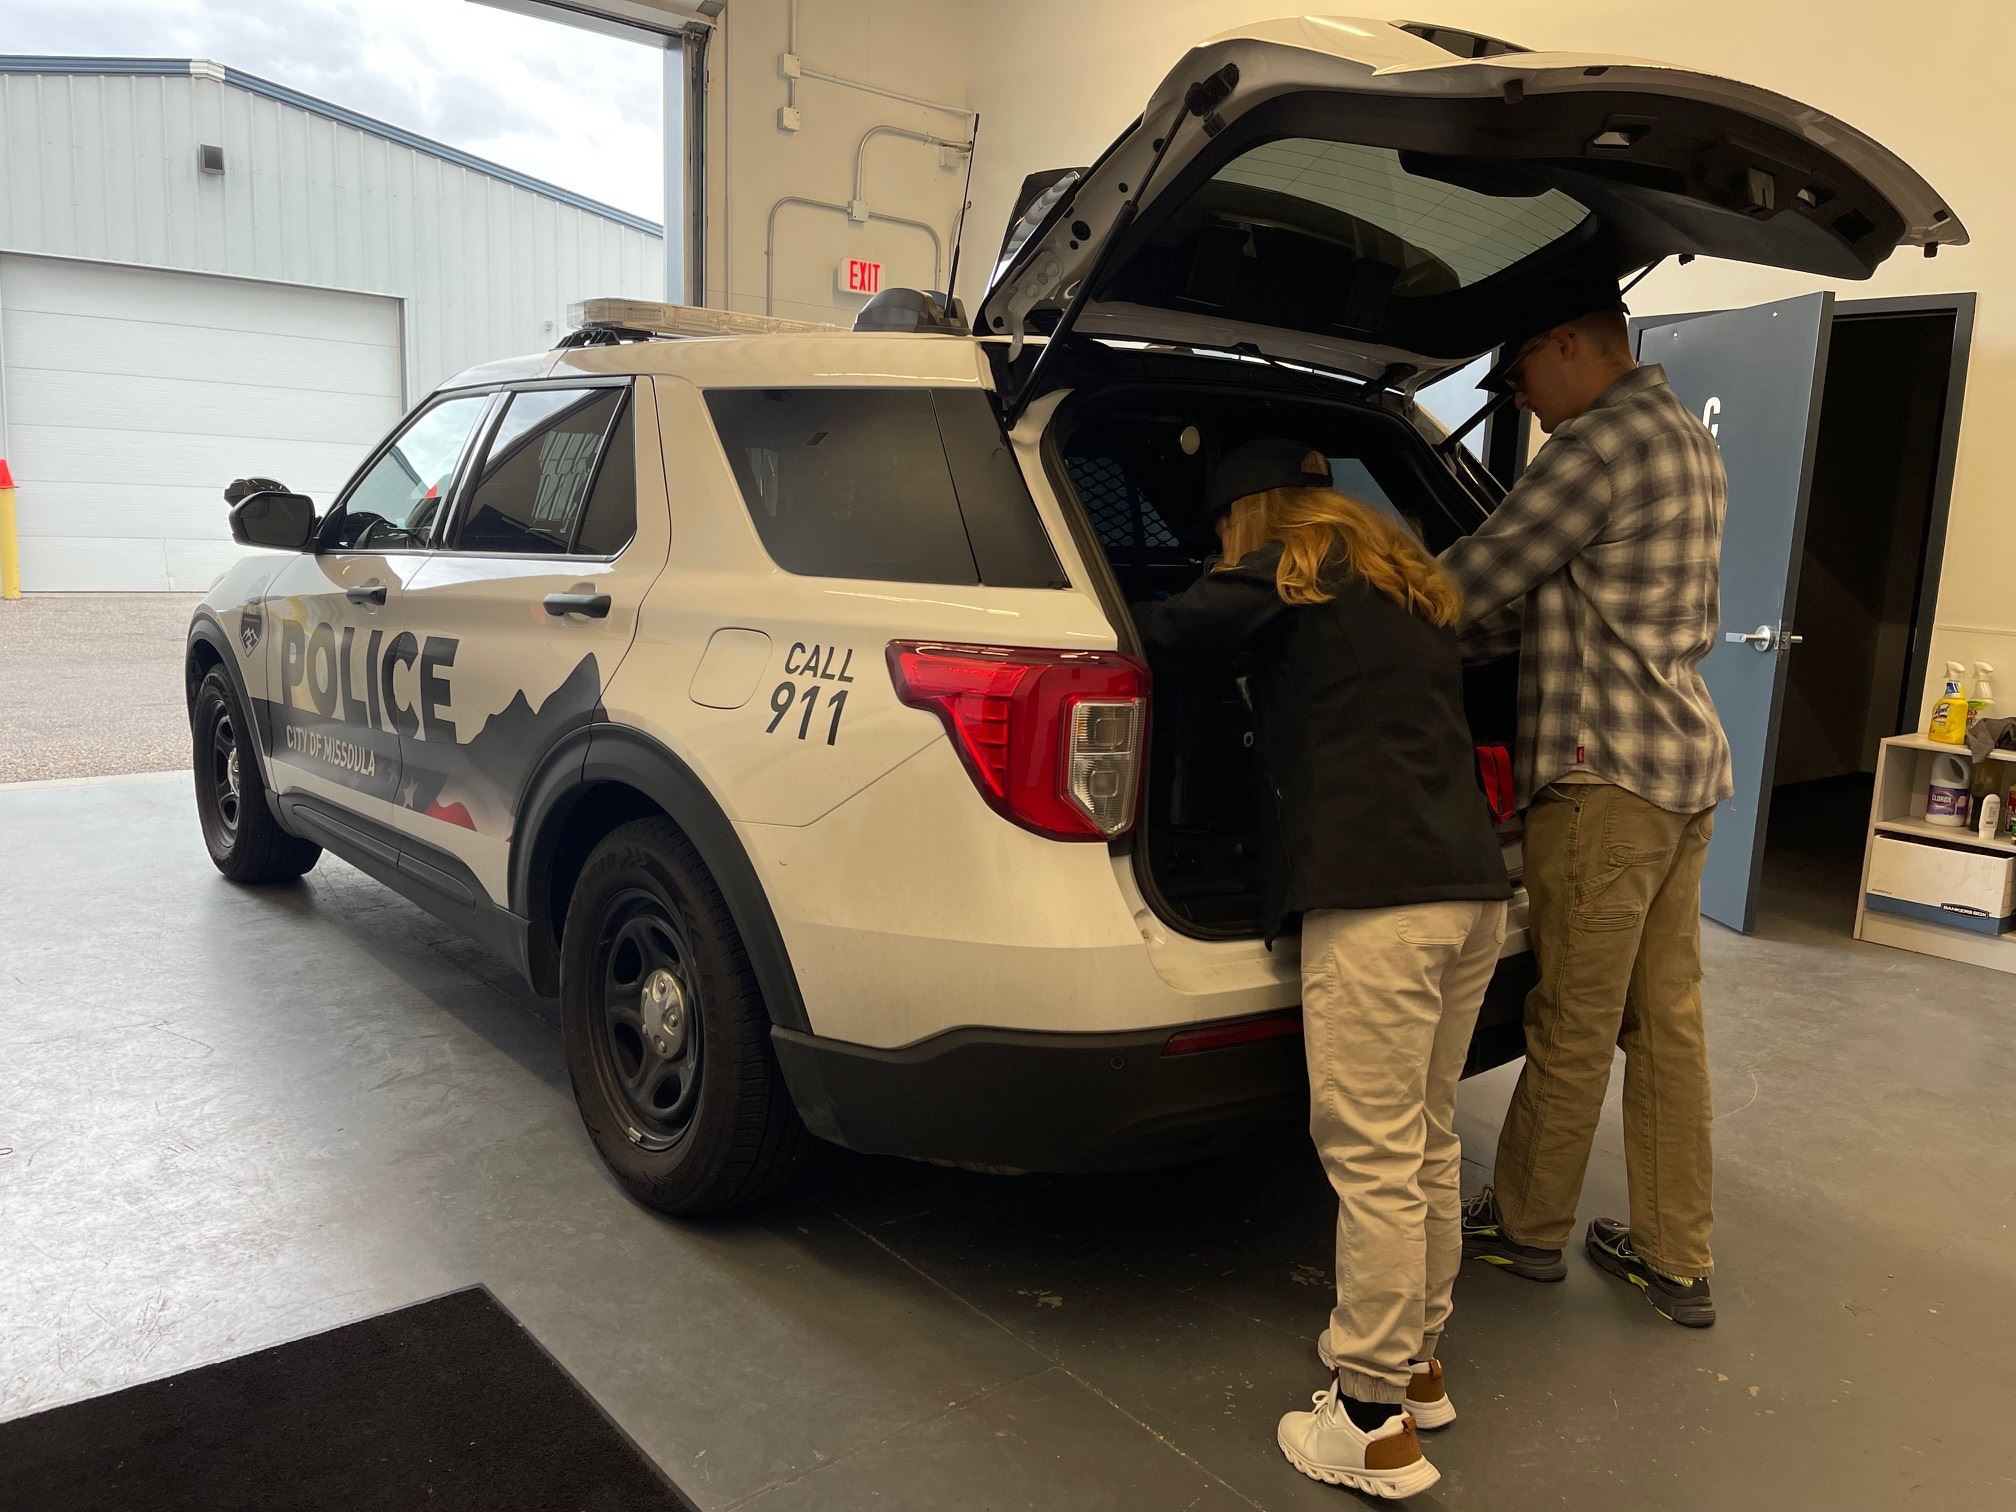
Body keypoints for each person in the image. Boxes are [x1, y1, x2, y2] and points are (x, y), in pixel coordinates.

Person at [1138, 440, 1511, 1499]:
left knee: (1373, 1154)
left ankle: (1369, 1419)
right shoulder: (1400, 582)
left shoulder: (1282, 572)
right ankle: (1416, 1364)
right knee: (1425, 1136)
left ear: (1247, 517)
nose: (1223, 548)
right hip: (1471, 892)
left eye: (1223, 530)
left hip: (1379, 905)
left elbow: (1164, 633)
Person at [1438, 268, 1734, 1328]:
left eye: (1520, 373)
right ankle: (1674, 1255)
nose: (1520, 399)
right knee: (1665, 1022)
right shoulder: (1685, 439)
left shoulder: (1594, 449)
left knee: (1572, 1018)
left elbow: (1472, 579)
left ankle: (1525, 1228)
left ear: (1566, 341)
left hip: (1604, 781)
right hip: (1679, 771)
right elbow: (1567, 600)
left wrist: (1343, 607)